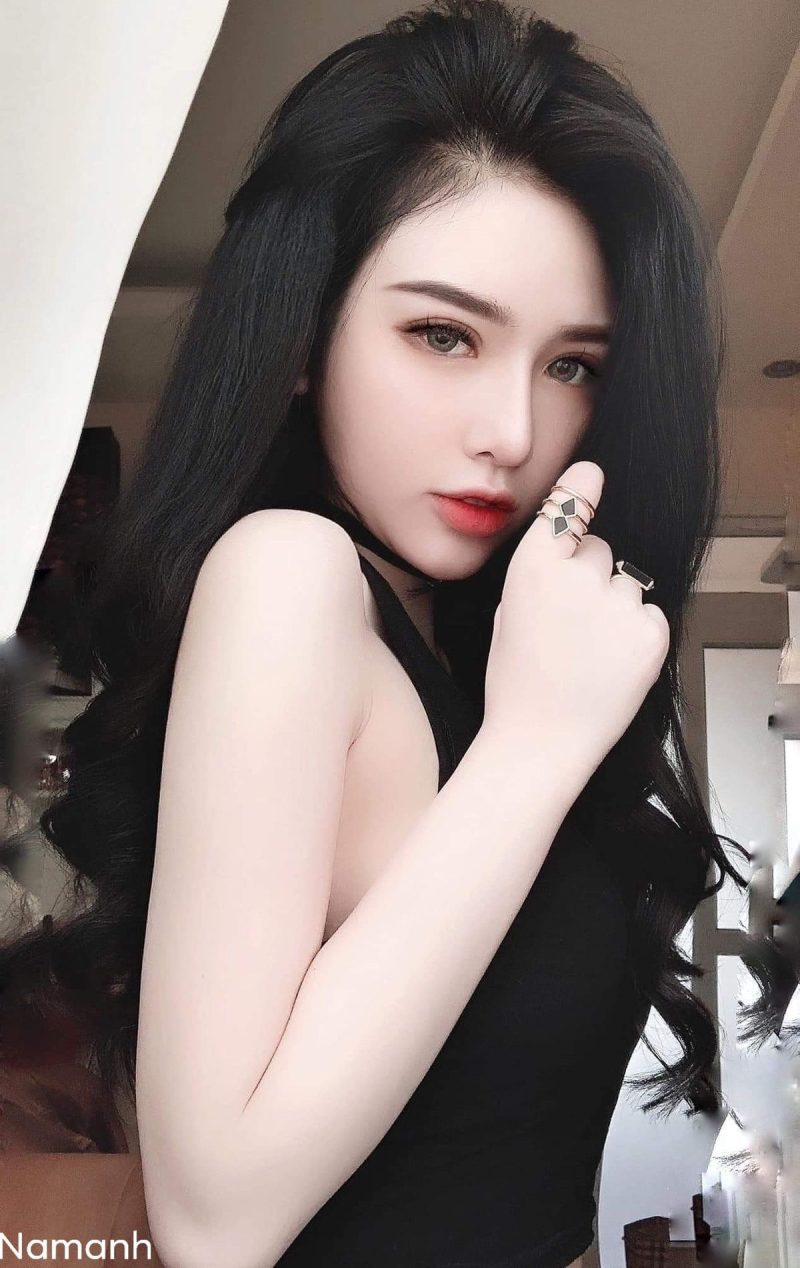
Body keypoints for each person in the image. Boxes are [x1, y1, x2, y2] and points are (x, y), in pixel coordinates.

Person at [0, 1, 760, 1265]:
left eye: (571, 364)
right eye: (441, 334)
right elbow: (214, 1220)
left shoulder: (467, 642)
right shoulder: (287, 574)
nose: (511, 431)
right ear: (304, 335)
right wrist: (532, 745)